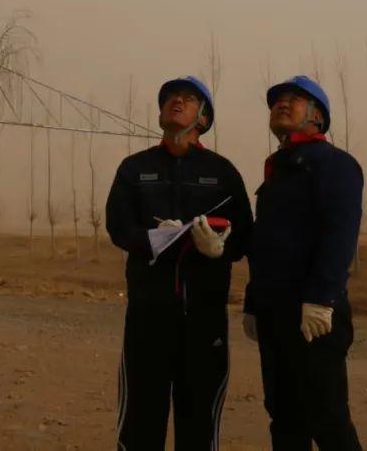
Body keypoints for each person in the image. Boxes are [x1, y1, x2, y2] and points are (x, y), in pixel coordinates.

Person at [106, 76, 253, 451]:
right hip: (148, 317)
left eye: (188, 99)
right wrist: (154, 239)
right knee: (140, 425)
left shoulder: (223, 173)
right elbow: (118, 226)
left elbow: (244, 236)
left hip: (204, 321)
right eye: (170, 97)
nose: (176, 102)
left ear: (203, 118)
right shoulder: (134, 169)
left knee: (199, 426)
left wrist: (219, 247)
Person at [243, 75, 363, 450]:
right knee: (284, 418)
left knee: (327, 420)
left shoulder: (334, 164)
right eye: (277, 100)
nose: (282, 103)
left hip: (313, 316)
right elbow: (266, 246)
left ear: (317, 115)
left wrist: (322, 298)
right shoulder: (278, 170)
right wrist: (253, 303)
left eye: (294, 99)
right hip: (274, 315)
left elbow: (339, 235)